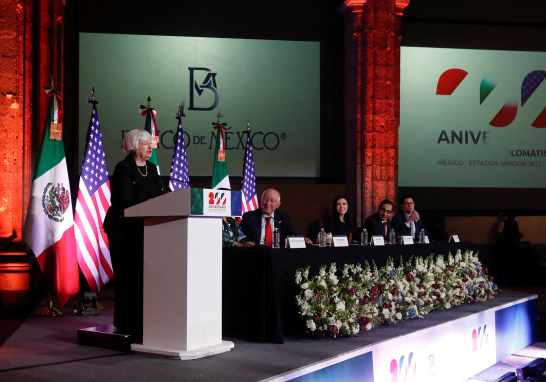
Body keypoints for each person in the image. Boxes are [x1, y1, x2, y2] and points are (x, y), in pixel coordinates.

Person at [103, 129, 167, 341]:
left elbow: (161, 196)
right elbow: (122, 201)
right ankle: (126, 323)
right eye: (146, 144)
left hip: (147, 230)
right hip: (123, 231)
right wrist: (150, 204)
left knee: (145, 278)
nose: (150, 147)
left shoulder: (151, 168)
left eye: (151, 144)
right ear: (133, 145)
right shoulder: (123, 168)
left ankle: (144, 322)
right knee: (127, 277)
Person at [240, 189, 312, 247]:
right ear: (261, 200)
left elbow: (293, 234)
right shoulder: (249, 217)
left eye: (272, 200)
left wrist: (302, 239)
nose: (268, 203)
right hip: (256, 252)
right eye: (265, 199)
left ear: (278, 204)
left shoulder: (284, 217)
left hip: (277, 253)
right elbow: (241, 237)